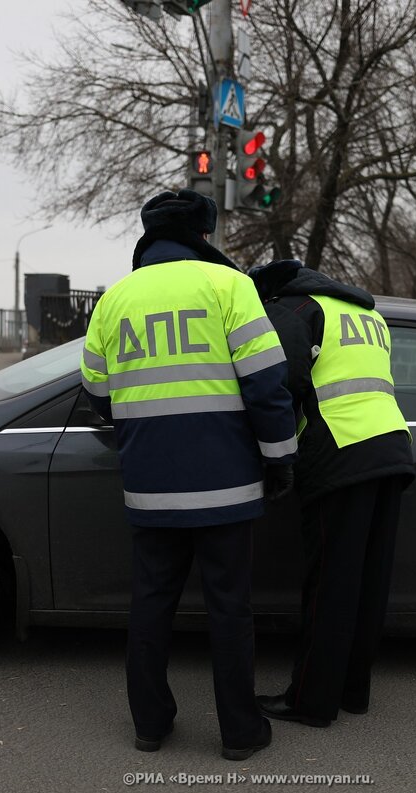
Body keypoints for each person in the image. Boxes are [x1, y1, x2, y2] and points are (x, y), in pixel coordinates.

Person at [80, 190, 297, 760]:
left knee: (151, 605)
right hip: (226, 486)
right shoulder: (229, 287)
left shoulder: (114, 300)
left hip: (150, 486)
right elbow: (266, 385)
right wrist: (280, 460)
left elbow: (98, 397)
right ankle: (240, 733)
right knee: (230, 608)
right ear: (203, 236)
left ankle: (150, 726)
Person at [248, 259, 415, 728]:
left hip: (340, 450)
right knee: (367, 582)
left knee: (330, 586)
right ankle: (353, 691)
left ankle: (311, 701)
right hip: (391, 447)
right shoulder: (365, 314)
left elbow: (284, 379)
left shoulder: (294, 308)